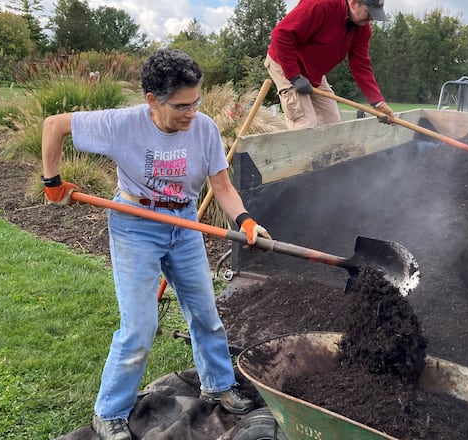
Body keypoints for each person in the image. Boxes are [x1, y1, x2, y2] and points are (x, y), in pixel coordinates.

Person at [41, 48, 272, 440]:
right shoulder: (120, 124)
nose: (192, 113)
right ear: (152, 100)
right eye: (182, 106)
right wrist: (52, 182)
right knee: (139, 327)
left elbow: (222, 187)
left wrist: (245, 220)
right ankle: (110, 411)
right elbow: (53, 125)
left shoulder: (205, 130)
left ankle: (218, 384)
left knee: (205, 313)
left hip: (182, 223)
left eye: (196, 101)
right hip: (134, 223)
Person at [264, 0, 395, 129]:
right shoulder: (320, 4)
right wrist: (294, 76)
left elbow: (361, 66)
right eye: (369, 12)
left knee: (332, 122)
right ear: (354, 3)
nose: (371, 18)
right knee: (304, 125)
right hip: (285, 63)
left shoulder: (362, 29)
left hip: (313, 72)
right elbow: (281, 34)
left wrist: (378, 103)